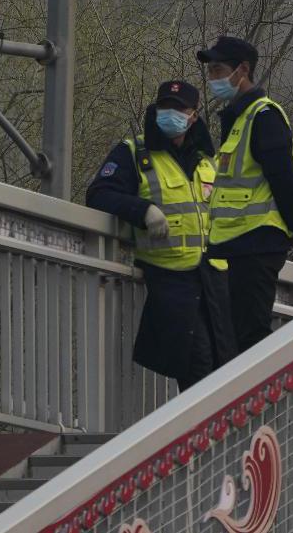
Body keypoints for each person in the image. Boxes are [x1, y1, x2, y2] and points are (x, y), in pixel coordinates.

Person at [86, 80, 237, 392]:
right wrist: (144, 211)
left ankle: (215, 438)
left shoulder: (208, 161)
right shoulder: (134, 152)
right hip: (171, 280)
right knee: (200, 370)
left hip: (215, 283)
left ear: (194, 115)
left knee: (226, 370)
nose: (171, 114)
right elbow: (100, 194)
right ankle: (200, 438)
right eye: (165, 107)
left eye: (179, 108)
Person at [197, 36, 293, 353]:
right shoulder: (238, 119)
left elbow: (285, 178)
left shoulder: (263, 116)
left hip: (257, 243)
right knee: (237, 338)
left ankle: (266, 400)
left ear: (243, 69)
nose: (212, 79)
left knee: (250, 338)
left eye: (218, 69)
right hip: (239, 246)